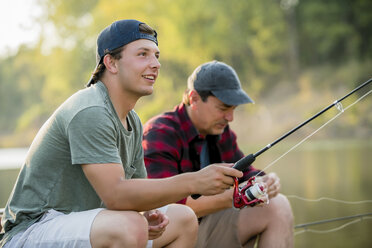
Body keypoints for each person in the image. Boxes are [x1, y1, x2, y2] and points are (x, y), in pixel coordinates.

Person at [0, 21, 244, 248]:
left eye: (156, 56)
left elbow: (136, 191)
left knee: (182, 218)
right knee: (129, 226)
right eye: (143, 54)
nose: (156, 64)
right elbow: (116, 195)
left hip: (85, 224)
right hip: (30, 231)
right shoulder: (91, 109)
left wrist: (149, 213)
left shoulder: (132, 120)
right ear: (111, 63)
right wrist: (193, 181)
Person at [143, 60, 294, 248]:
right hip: (171, 234)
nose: (230, 118)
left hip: (207, 228)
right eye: (223, 108)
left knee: (278, 205)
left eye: (233, 109)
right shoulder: (160, 133)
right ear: (194, 98)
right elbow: (162, 206)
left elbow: (246, 173)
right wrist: (236, 196)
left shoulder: (221, 131)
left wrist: (266, 182)